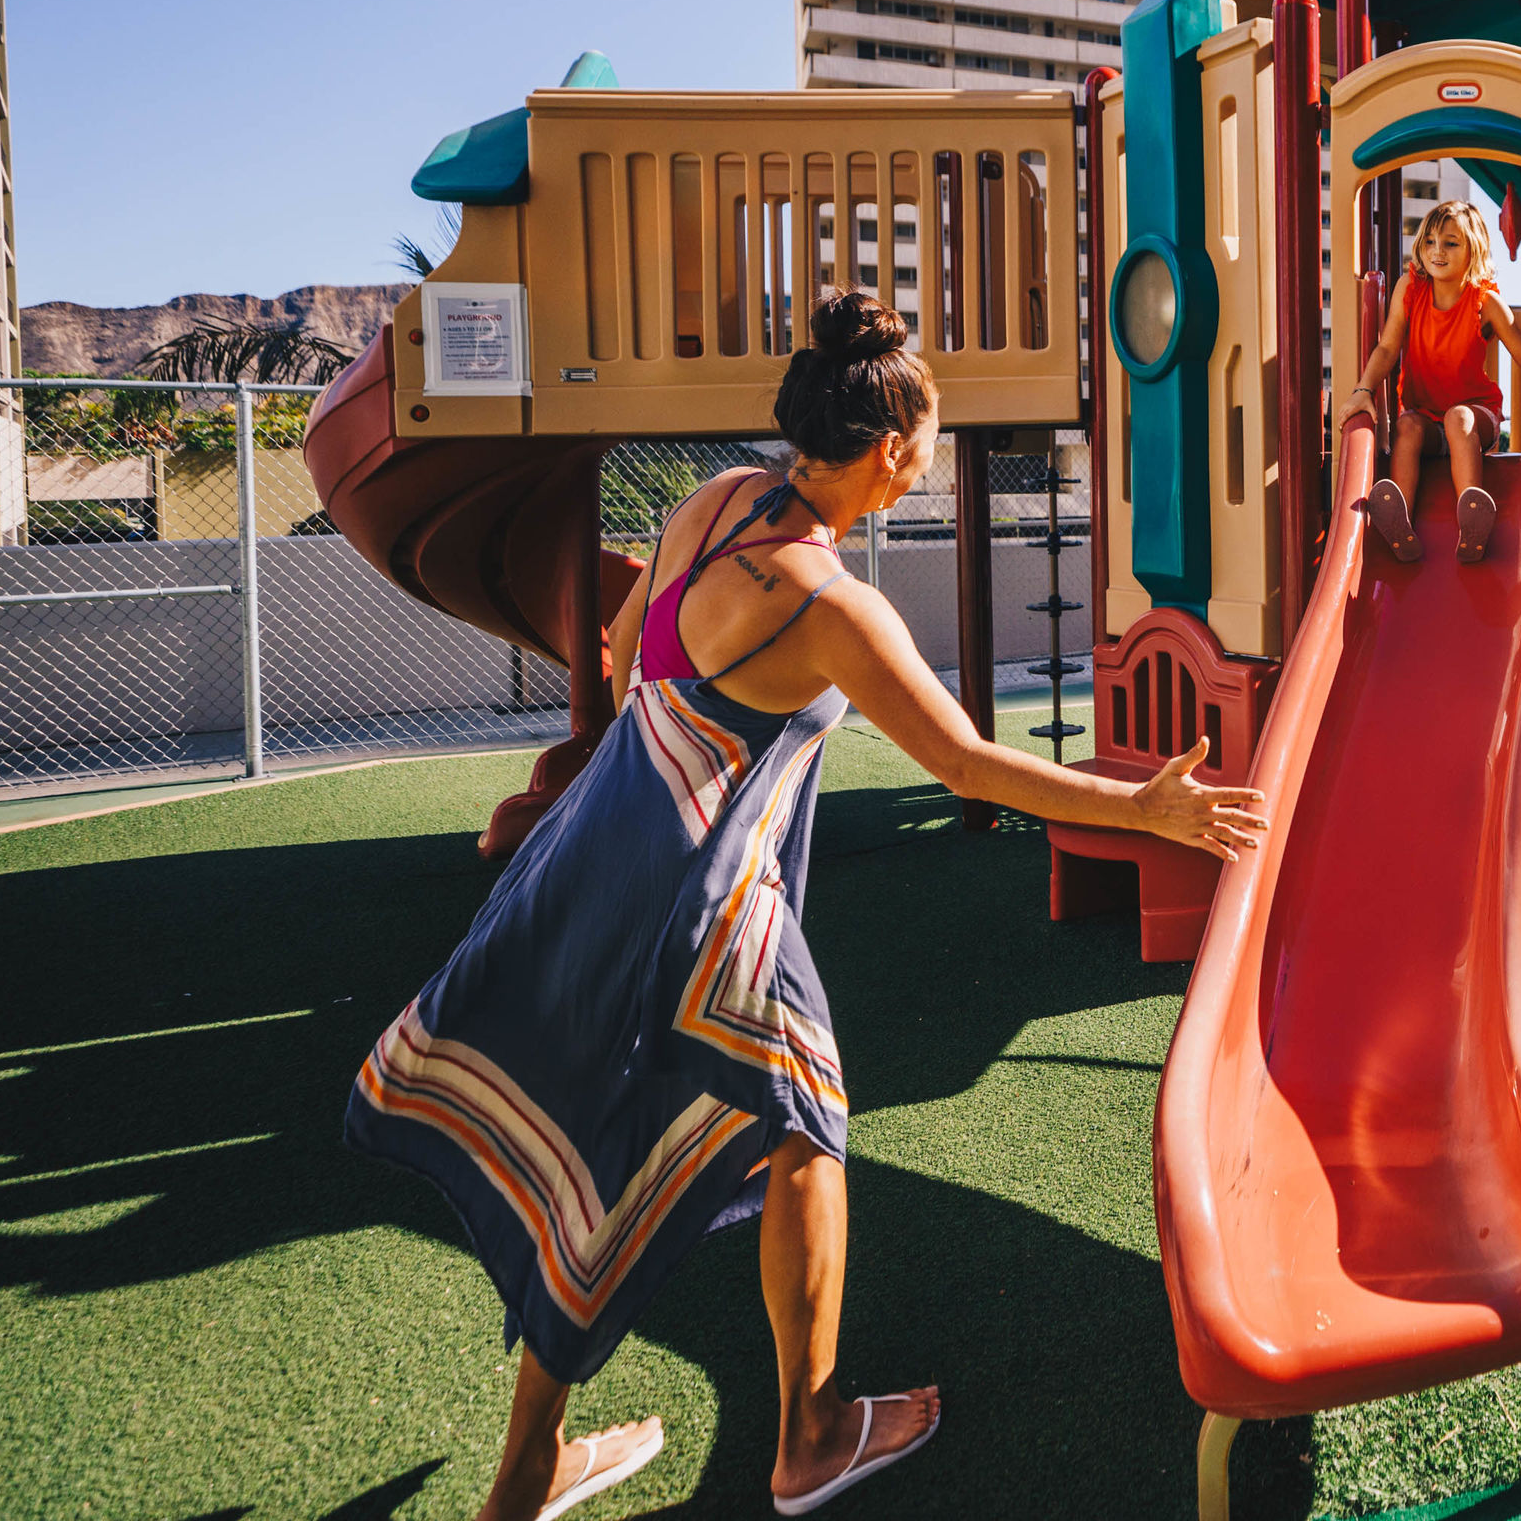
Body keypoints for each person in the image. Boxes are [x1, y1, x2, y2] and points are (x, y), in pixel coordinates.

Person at [345, 292, 1266, 1521]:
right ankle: (812, 1434)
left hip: (591, 864)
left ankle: (526, 1475)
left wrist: (678, 759)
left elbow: (626, 647)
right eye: (930, 438)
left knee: (604, 1161)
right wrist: (1147, 812)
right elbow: (968, 766)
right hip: (705, 903)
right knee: (806, 1125)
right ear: (891, 451)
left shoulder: (714, 503)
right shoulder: (827, 603)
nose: (930, 456)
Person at [1345, 200, 1521, 564]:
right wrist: (1363, 390)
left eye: (1451, 243)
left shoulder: (1484, 301)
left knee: (1458, 418)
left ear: (1473, 250)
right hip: (1427, 419)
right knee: (1407, 425)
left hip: (1475, 418)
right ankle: (1398, 518)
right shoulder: (1410, 290)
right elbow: (1387, 348)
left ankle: (1473, 517)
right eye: (1430, 241)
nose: (1437, 251)